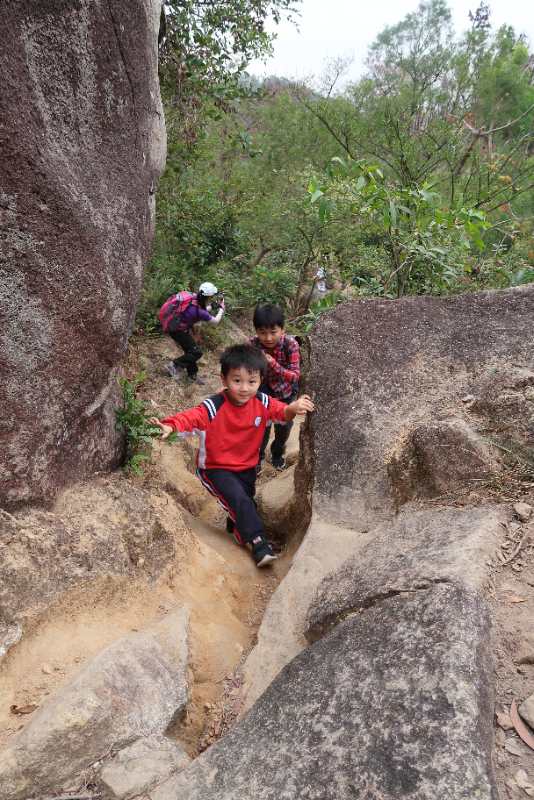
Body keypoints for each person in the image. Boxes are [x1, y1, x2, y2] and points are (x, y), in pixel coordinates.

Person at [149, 344, 314, 568]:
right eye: (237, 381)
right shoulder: (213, 406)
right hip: (215, 468)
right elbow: (191, 418)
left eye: (252, 382)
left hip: (246, 468)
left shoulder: (262, 403)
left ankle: (236, 528)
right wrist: (170, 426)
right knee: (239, 501)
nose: (244, 388)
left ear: (260, 381)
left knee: (245, 501)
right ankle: (258, 543)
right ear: (224, 379)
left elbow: (281, 412)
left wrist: (294, 407)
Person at [251, 303, 300, 472]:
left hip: (285, 392)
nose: (269, 338)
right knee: (260, 428)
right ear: (256, 331)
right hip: (262, 392)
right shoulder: (252, 345)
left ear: (282, 330)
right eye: (263, 333)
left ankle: (277, 454)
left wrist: (273, 364)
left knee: (283, 428)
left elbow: (294, 376)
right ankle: (256, 459)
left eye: (273, 332)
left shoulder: (290, 345)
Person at [159, 282, 224, 384]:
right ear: (207, 297)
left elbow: (199, 310)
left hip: (176, 327)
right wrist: (221, 309)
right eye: (211, 297)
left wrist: (213, 306)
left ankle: (192, 375)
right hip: (177, 331)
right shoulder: (199, 311)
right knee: (196, 352)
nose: (212, 298)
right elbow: (215, 321)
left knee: (190, 350)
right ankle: (174, 366)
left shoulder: (193, 298)